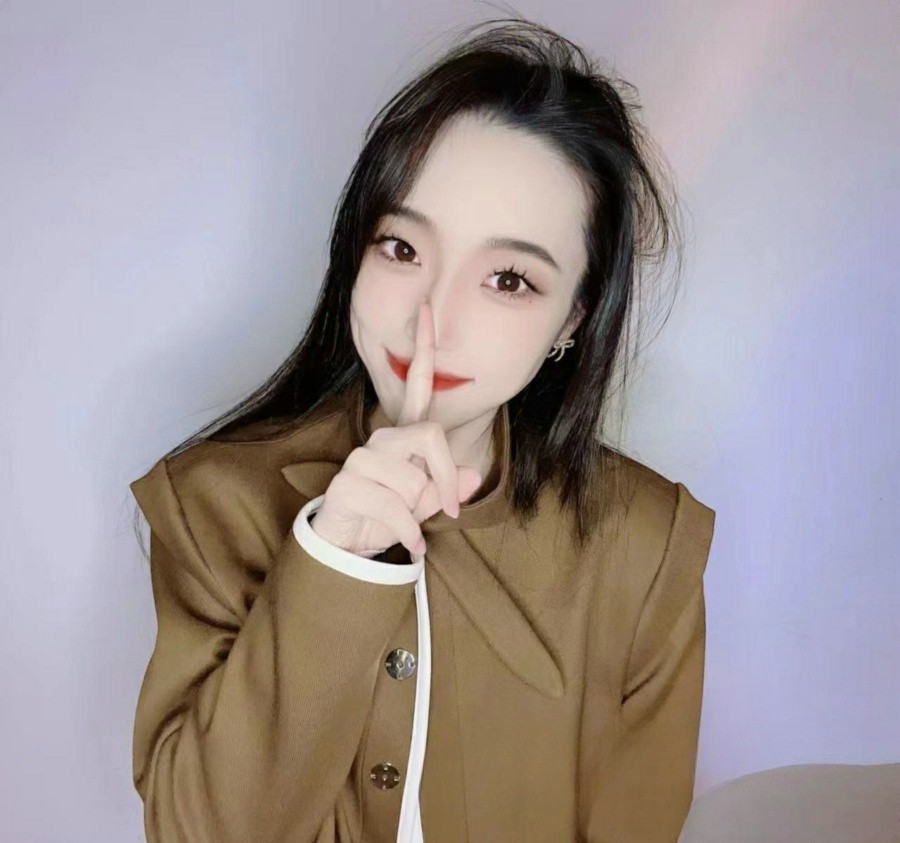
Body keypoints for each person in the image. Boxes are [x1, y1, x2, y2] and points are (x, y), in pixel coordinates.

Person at [129, 16, 716, 843]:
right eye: (402, 248)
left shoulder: (650, 546)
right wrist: (335, 555)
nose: (432, 316)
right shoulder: (213, 502)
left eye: (508, 278)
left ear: (572, 319)